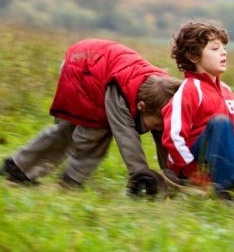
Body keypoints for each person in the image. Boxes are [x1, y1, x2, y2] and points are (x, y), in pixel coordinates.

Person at [2, 38, 182, 194]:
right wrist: (141, 174)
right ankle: (70, 182)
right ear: (141, 106)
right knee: (94, 133)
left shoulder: (162, 97)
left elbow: (164, 138)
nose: (159, 128)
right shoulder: (121, 94)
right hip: (82, 67)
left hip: (95, 65)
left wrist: (170, 174)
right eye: (158, 123)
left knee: (66, 131)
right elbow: (126, 137)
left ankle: (19, 167)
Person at [161, 20, 234, 192]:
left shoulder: (227, 91)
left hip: (218, 162)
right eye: (215, 49)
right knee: (220, 123)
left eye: (224, 48)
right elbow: (173, 137)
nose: (224, 53)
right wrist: (192, 171)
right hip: (191, 167)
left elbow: (230, 136)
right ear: (193, 56)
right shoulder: (189, 89)